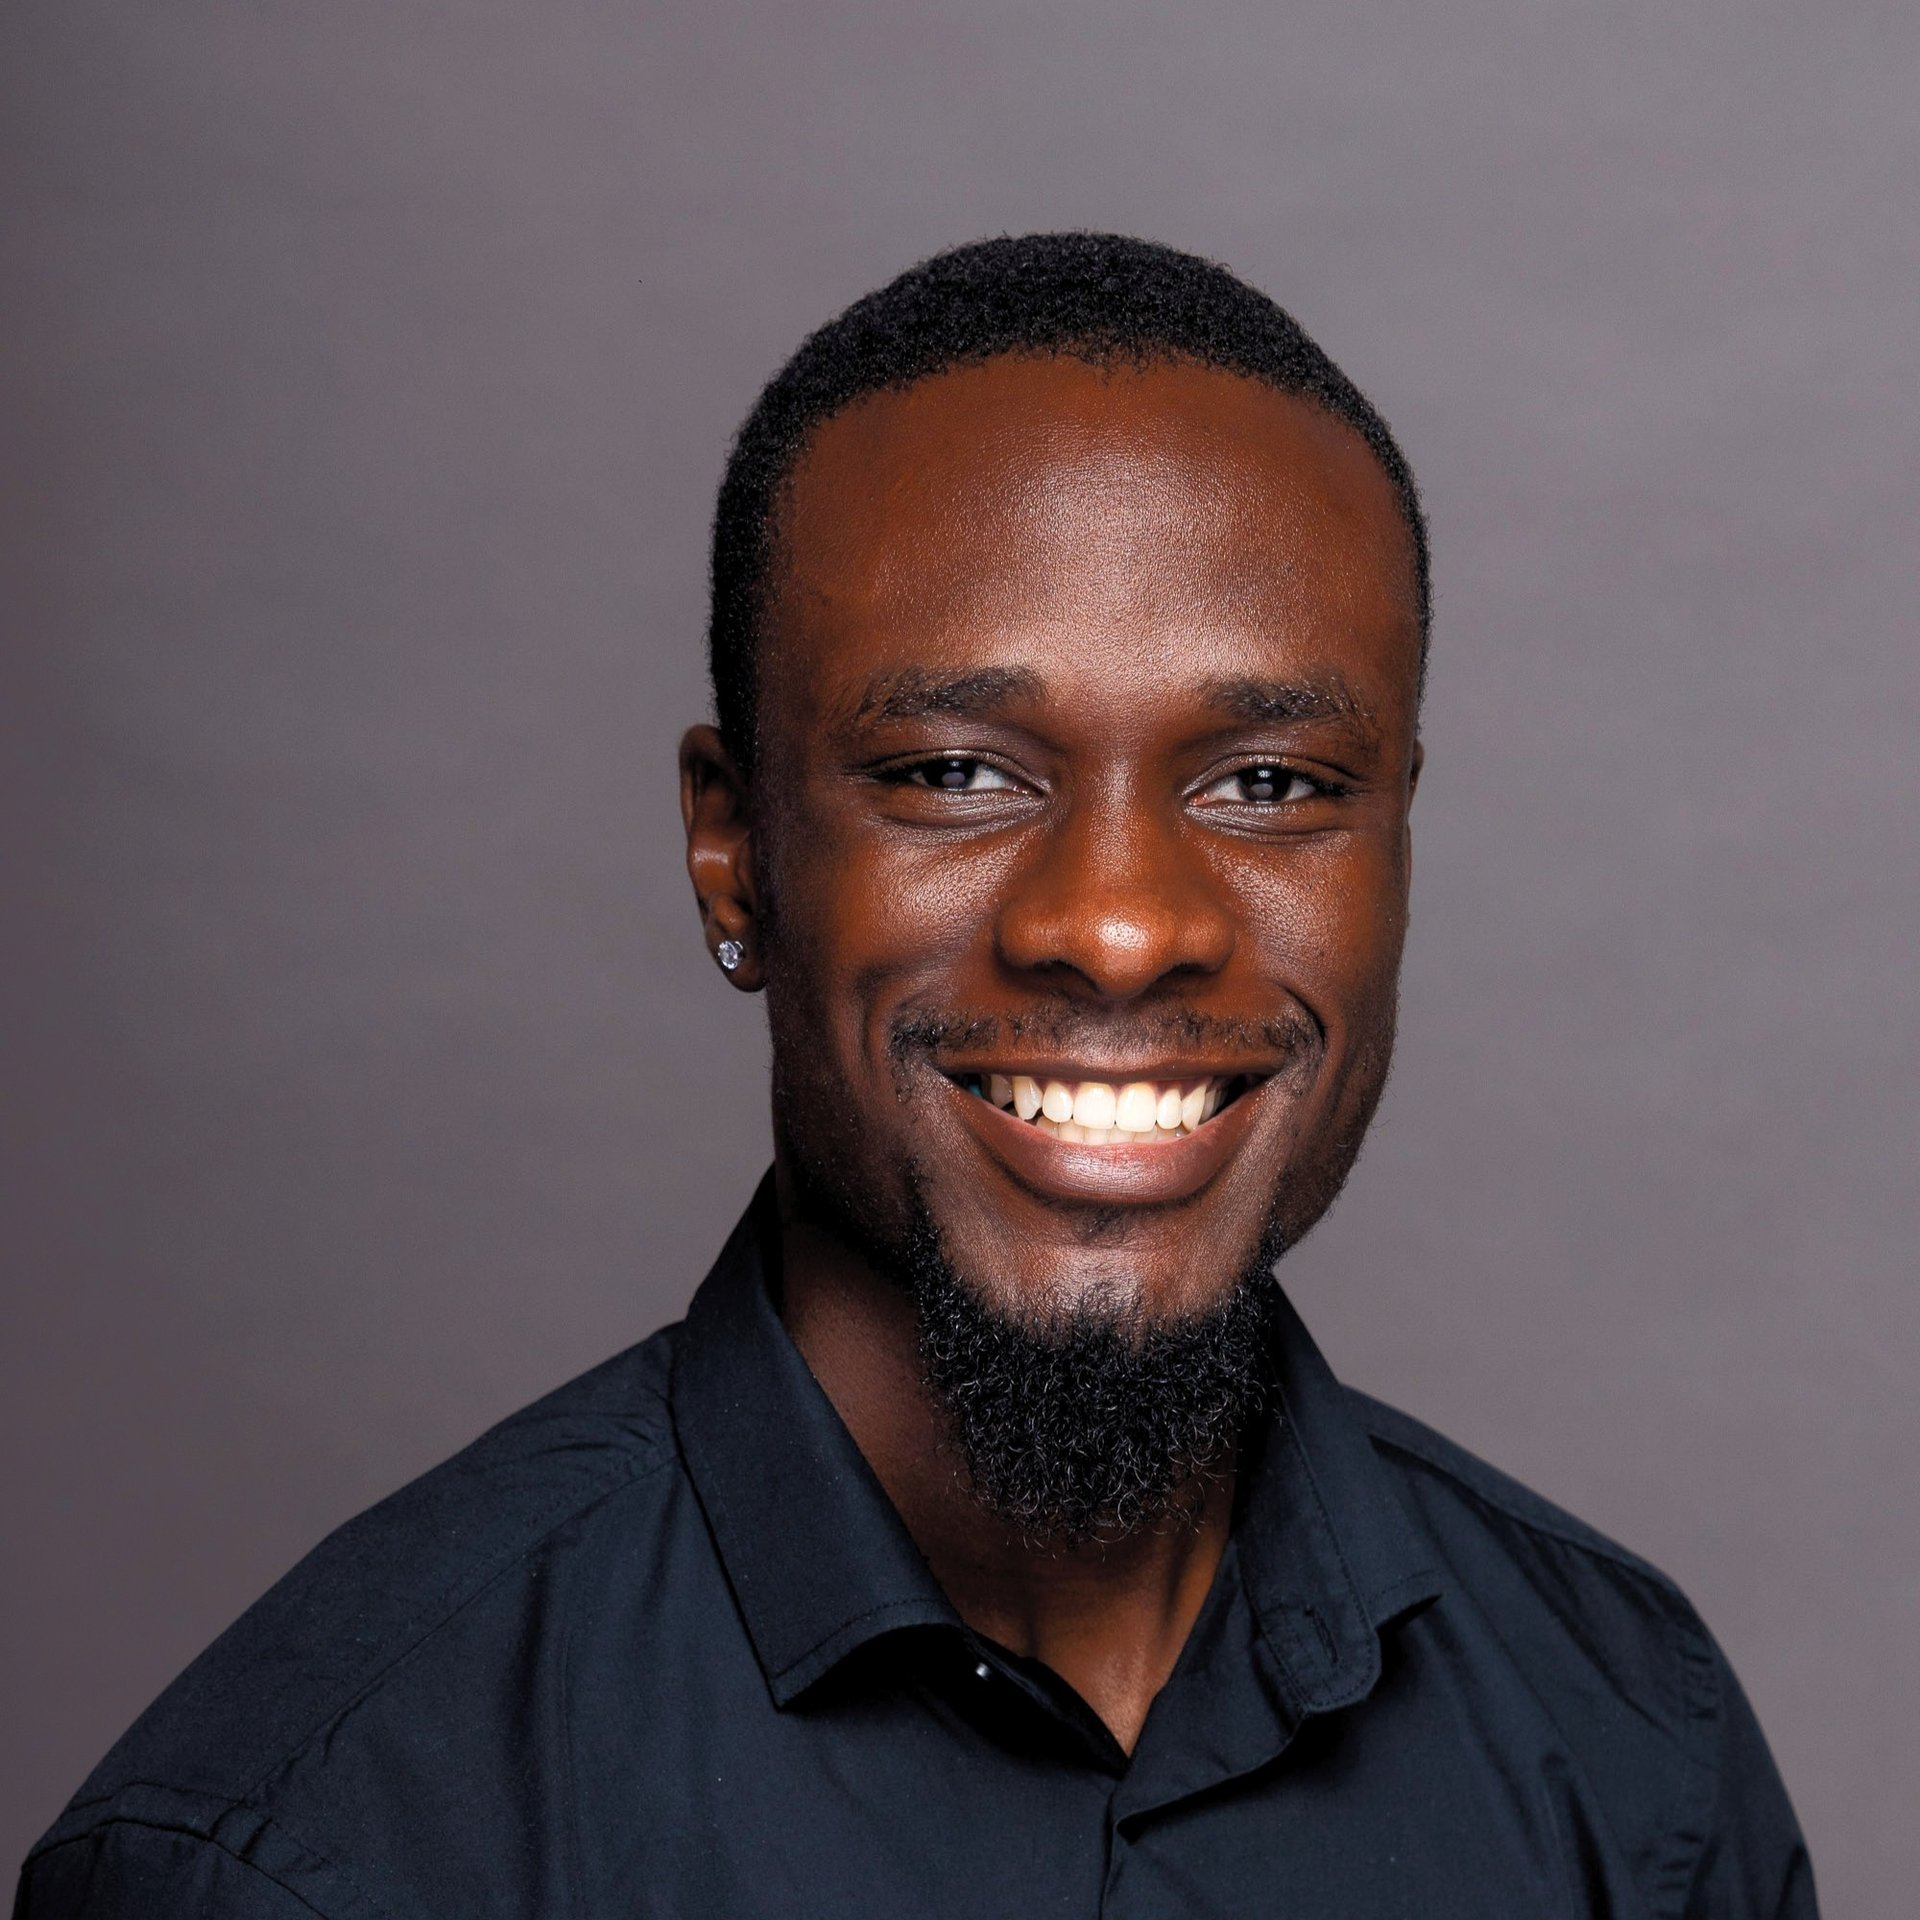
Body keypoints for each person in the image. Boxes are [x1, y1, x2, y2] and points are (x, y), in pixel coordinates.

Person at [15, 233, 1815, 1918]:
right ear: (738, 856)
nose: (1118, 929)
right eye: (958, 772)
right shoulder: (312, 1854)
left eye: (1269, 784)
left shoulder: (1631, 1752)